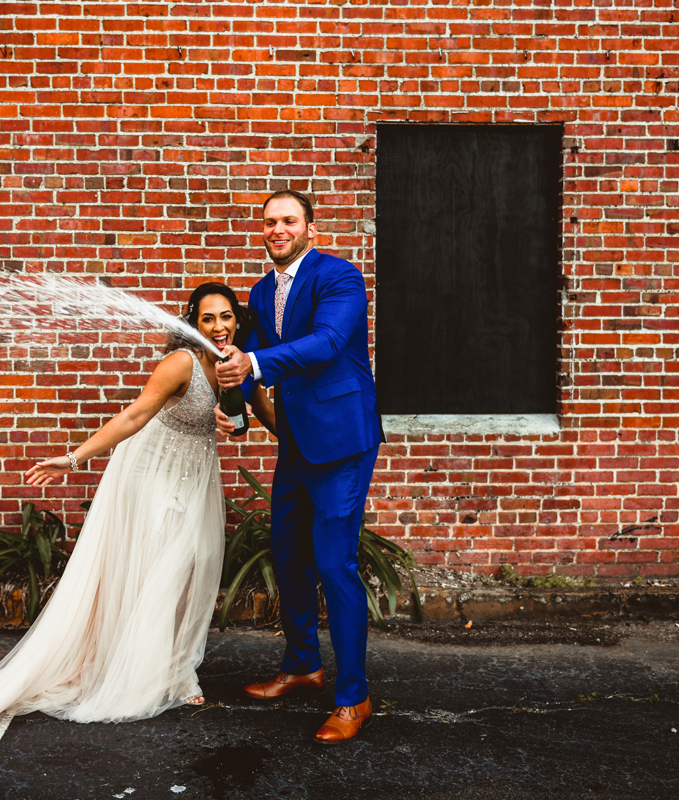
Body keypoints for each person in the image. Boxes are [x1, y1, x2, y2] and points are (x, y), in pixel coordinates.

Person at [0, 283, 272, 757]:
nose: (218, 326)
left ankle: (172, 665)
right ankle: (158, 675)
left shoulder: (238, 363)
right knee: (161, 571)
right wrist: (72, 460)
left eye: (226, 317)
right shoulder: (182, 363)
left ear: (238, 320)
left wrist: (238, 420)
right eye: (208, 318)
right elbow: (134, 416)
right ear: (193, 323)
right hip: (152, 474)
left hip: (196, 476)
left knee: (191, 571)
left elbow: (247, 417)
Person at [215, 189, 383, 745]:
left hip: (342, 444)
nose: (277, 229)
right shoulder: (262, 291)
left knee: (335, 566)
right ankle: (302, 666)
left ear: (311, 227)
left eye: (288, 220)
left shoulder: (341, 278)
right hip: (295, 445)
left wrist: (255, 361)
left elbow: (329, 343)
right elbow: (246, 367)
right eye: (269, 222)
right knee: (289, 558)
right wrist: (235, 409)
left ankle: (352, 697)